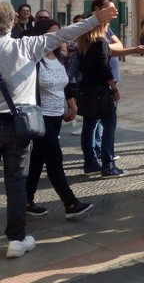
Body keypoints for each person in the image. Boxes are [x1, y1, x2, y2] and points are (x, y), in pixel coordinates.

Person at [0, 0, 116, 259]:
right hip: (18, 125)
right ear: (13, 22)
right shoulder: (26, 46)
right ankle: (17, 239)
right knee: (16, 183)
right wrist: (96, 19)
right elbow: (66, 34)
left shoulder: (27, 45)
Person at [23, 19, 93, 219]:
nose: (56, 38)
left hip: (56, 116)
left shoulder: (60, 57)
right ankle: (70, 203)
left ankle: (26, 199)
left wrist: (72, 104)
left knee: (38, 159)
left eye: (58, 34)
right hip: (40, 116)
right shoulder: (34, 59)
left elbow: (65, 84)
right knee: (54, 159)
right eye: (51, 34)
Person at [76, 1, 124, 178]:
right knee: (109, 126)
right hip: (100, 92)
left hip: (86, 89)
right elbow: (104, 68)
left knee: (88, 126)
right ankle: (108, 165)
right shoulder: (100, 42)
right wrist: (114, 88)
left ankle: (89, 163)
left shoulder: (83, 43)